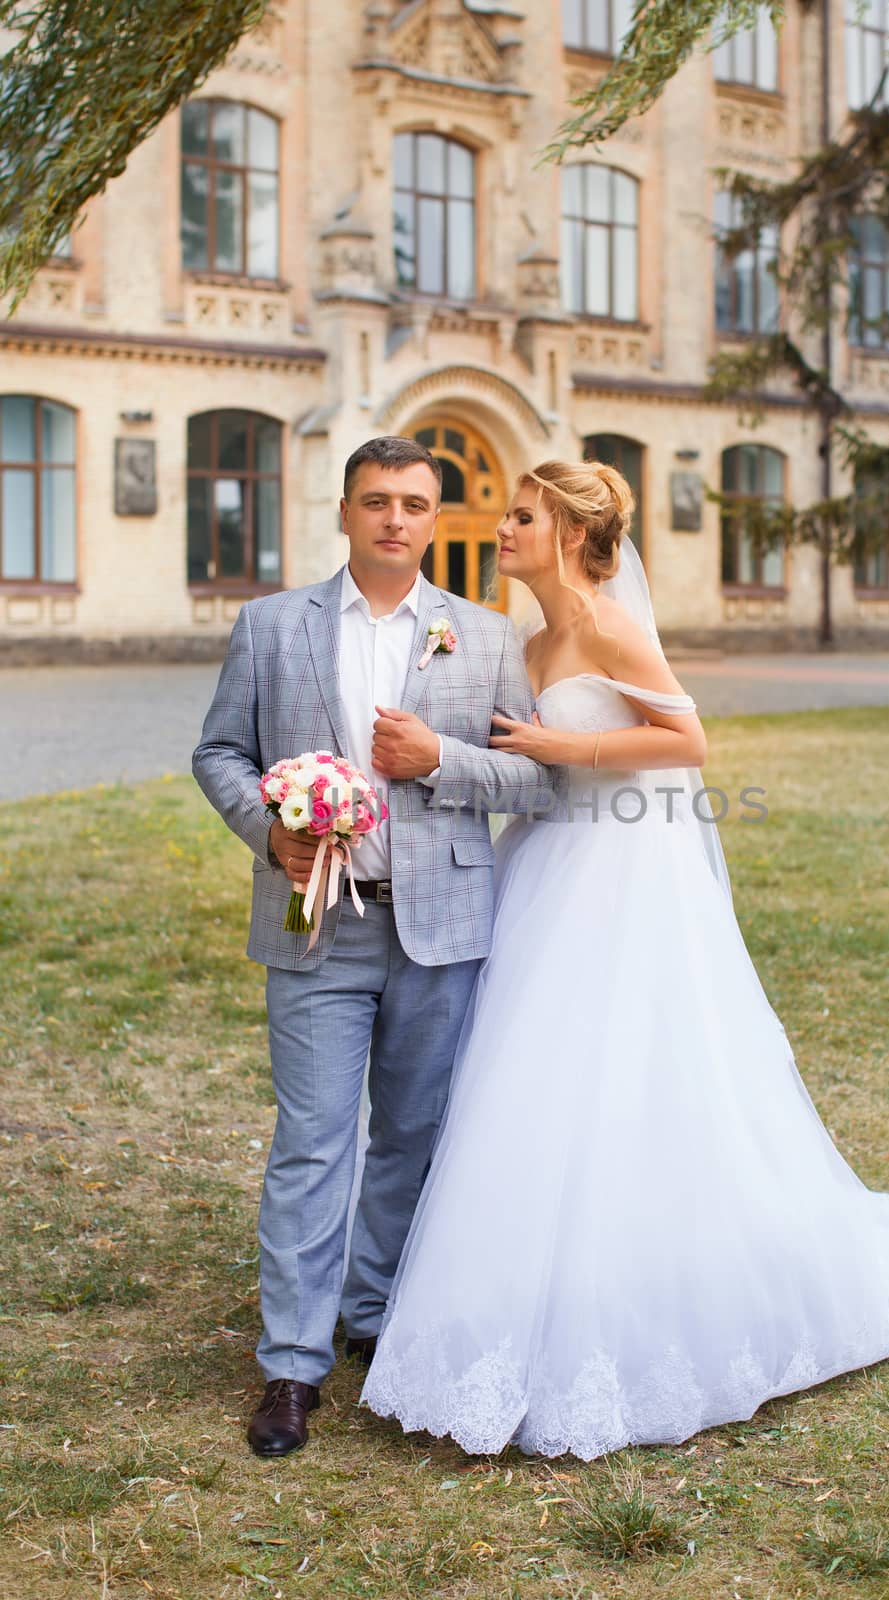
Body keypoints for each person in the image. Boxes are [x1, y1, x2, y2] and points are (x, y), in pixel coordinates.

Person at [360, 457, 889, 1462]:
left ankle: (653, 1270)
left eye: (519, 516)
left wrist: (564, 753)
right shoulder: (530, 636)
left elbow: (686, 740)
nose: (500, 527)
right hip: (547, 858)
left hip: (617, 868)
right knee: (533, 1071)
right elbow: (521, 752)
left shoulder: (605, 621)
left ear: (566, 534)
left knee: (621, 1057)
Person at [192, 435, 552, 1457]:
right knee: (313, 1141)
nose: (394, 517)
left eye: (412, 503)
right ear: (344, 512)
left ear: (434, 521)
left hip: (440, 926)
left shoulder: (484, 638)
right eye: (375, 500)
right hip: (316, 921)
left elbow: (534, 779)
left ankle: (372, 1310)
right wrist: (267, 828)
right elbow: (219, 749)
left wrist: (442, 759)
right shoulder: (270, 627)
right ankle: (291, 1366)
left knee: (410, 1133)